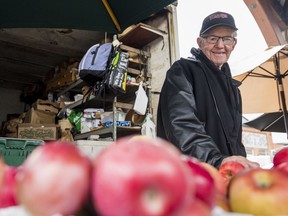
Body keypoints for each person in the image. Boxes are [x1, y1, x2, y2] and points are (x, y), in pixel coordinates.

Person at [157, 11, 259, 169]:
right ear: (200, 42)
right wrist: (216, 161)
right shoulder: (183, 71)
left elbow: (235, 141)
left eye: (227, 39)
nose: (220, 45)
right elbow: (182, 125)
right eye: (212, 38)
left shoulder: (233, 88)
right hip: (193, 175)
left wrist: (240, 165)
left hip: (226, 174)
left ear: (234, 44)